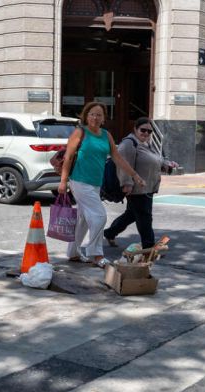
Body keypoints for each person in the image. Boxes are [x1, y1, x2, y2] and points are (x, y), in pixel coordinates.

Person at [57, 102, 145, 268]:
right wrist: (63, 181)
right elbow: (68, 157)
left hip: (96, 183)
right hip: (79, 181)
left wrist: (134, 175)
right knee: (99, 216)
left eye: (99, 115)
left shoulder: (106, 135)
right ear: (86, 116)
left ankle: (73, 252)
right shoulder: (80, 132)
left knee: (83, 218)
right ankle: (96, 254)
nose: (95, 118)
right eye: (92, 114)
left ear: (104, 118)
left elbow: (117, 158)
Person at [103, 117, 174, 249]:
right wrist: (127, 183)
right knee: (144, 217)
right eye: (143, 130)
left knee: (131, 214)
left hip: (148, 187)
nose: (146, 133)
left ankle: (110, 233)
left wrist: (167, 165)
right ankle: (149, 247)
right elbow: (123, 164)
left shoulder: (147, 144)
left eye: (149, 131)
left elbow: (155, 160)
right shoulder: (129, 143)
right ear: (135, 129)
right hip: (137, 188)